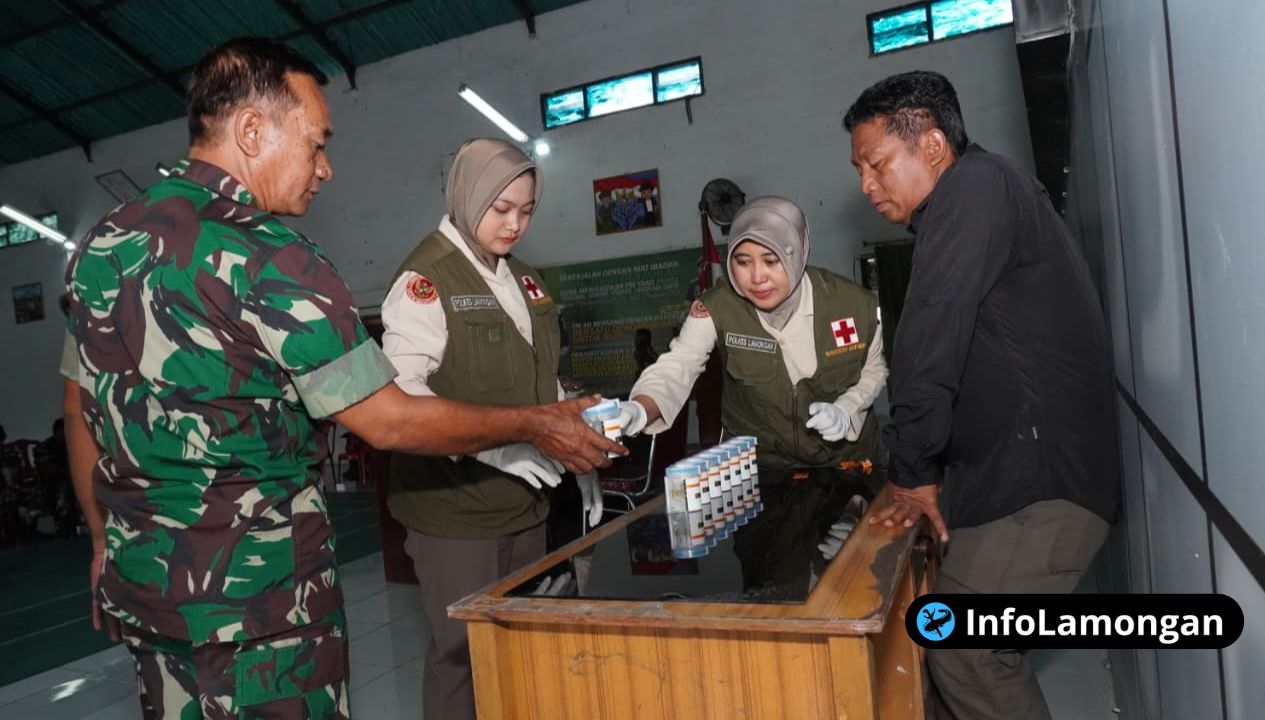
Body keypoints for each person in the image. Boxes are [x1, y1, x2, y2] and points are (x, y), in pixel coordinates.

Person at [59, 39, 621, 720]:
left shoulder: (106, 245)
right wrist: (536, 423)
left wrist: (101, 543)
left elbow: (81, 403)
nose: (325, 168)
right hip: (263, 606)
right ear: (252, 130)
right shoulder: (272, 256)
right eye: (316, 143)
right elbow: (388, 421)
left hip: (147, 586)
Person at [843, 70, 1121, 720]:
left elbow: (926, 341)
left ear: (933, 146)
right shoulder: (981, 197)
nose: (865, 185)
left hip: (1038, 489)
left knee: (969, 654)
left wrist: (911, 474)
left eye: (877, 164)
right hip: (1011, 484)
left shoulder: (974, 187)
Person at [379, 137, 604, 720]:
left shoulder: (525, 279)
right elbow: (401, 396)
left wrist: (576, 445)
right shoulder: (425, 279)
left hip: (525, 504)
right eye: (501, 208)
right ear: (466, 195)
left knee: (516, 648)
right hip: (453, 513)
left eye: (527, 211)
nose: (515, 224)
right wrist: (492, 450)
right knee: (460, 657)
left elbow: (541, 379)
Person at [621, 195, 889, 478]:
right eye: (743, 261)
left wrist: (847, 409)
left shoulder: (852, 305)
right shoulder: (719, 307)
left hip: (845, 464)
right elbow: (679, 364)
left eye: (771, 261)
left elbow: (874, 370)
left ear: (797, 254)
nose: (757, 277)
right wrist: (639, 408)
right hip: (763, 470)